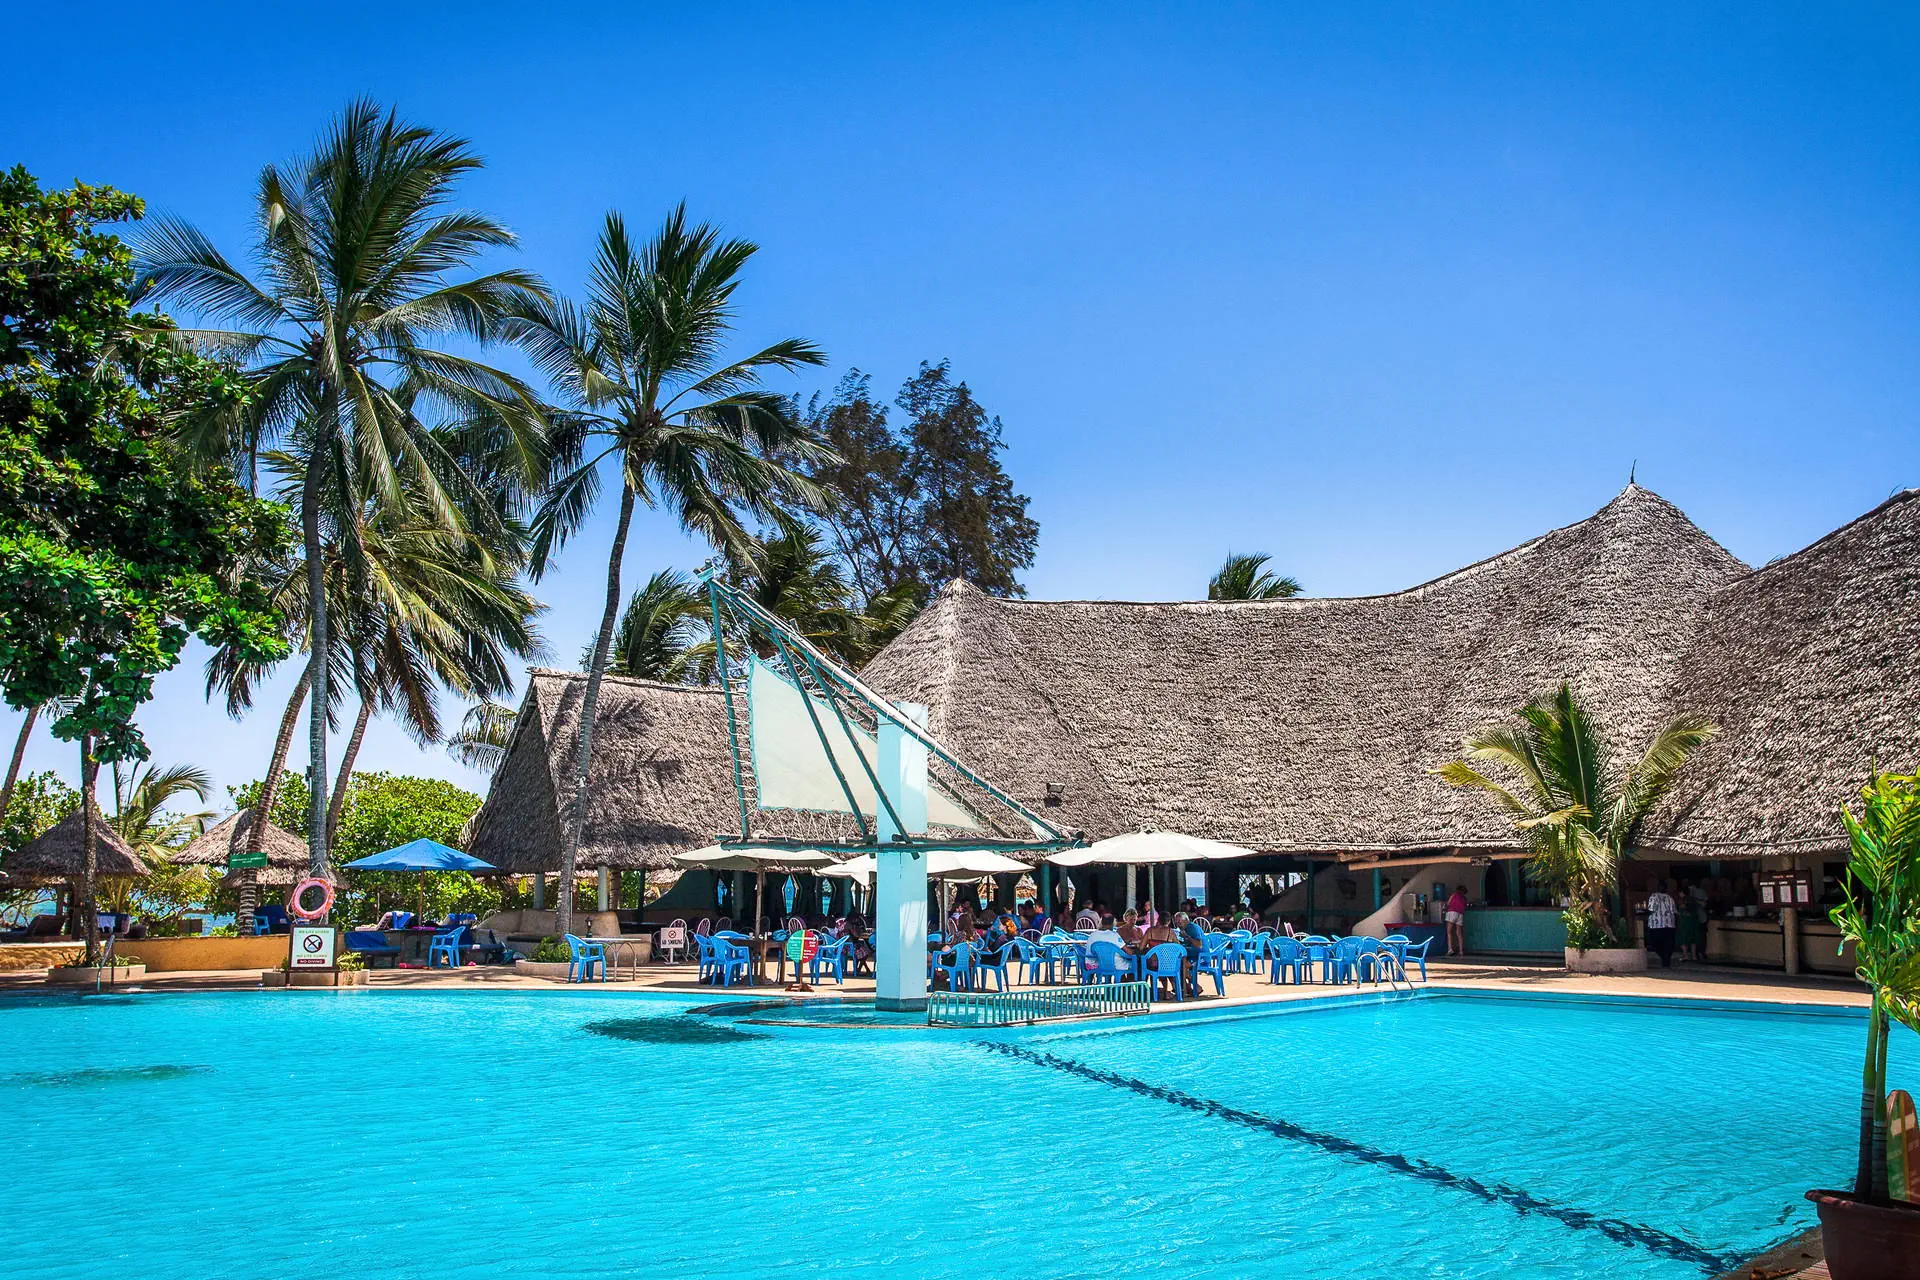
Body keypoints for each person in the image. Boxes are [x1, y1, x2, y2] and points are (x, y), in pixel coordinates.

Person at [1645, 880, 1678, 968]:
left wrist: (1644, 913)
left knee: (1655, 943)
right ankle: (1666, 960)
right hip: (1669, 924)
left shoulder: (1654, 896)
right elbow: (1674, 911)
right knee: (1668, 944)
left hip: (1656, 925)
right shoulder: (1670, 898)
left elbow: (1651, 909)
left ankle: (1664, 958)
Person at [1676, 887, 1706, 962]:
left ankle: (1685, 955)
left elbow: (1682, 911)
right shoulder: (1694, 900)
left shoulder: (1682, 900)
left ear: (1682, 892)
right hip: (1694, 922)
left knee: (1683, 939)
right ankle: (1694, 956)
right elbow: (1702, 904)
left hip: (1685, 922)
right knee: (1693, 940)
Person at [1445, 885, 1469, 957]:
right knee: (1459, 933)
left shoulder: (1454, 895)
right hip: (1460, 914)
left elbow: (1448, 903)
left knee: (1449, 932)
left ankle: (1450, 950)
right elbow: (1465, 907)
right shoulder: (1464, 898)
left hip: (1452, 912)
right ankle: (1461, 951)